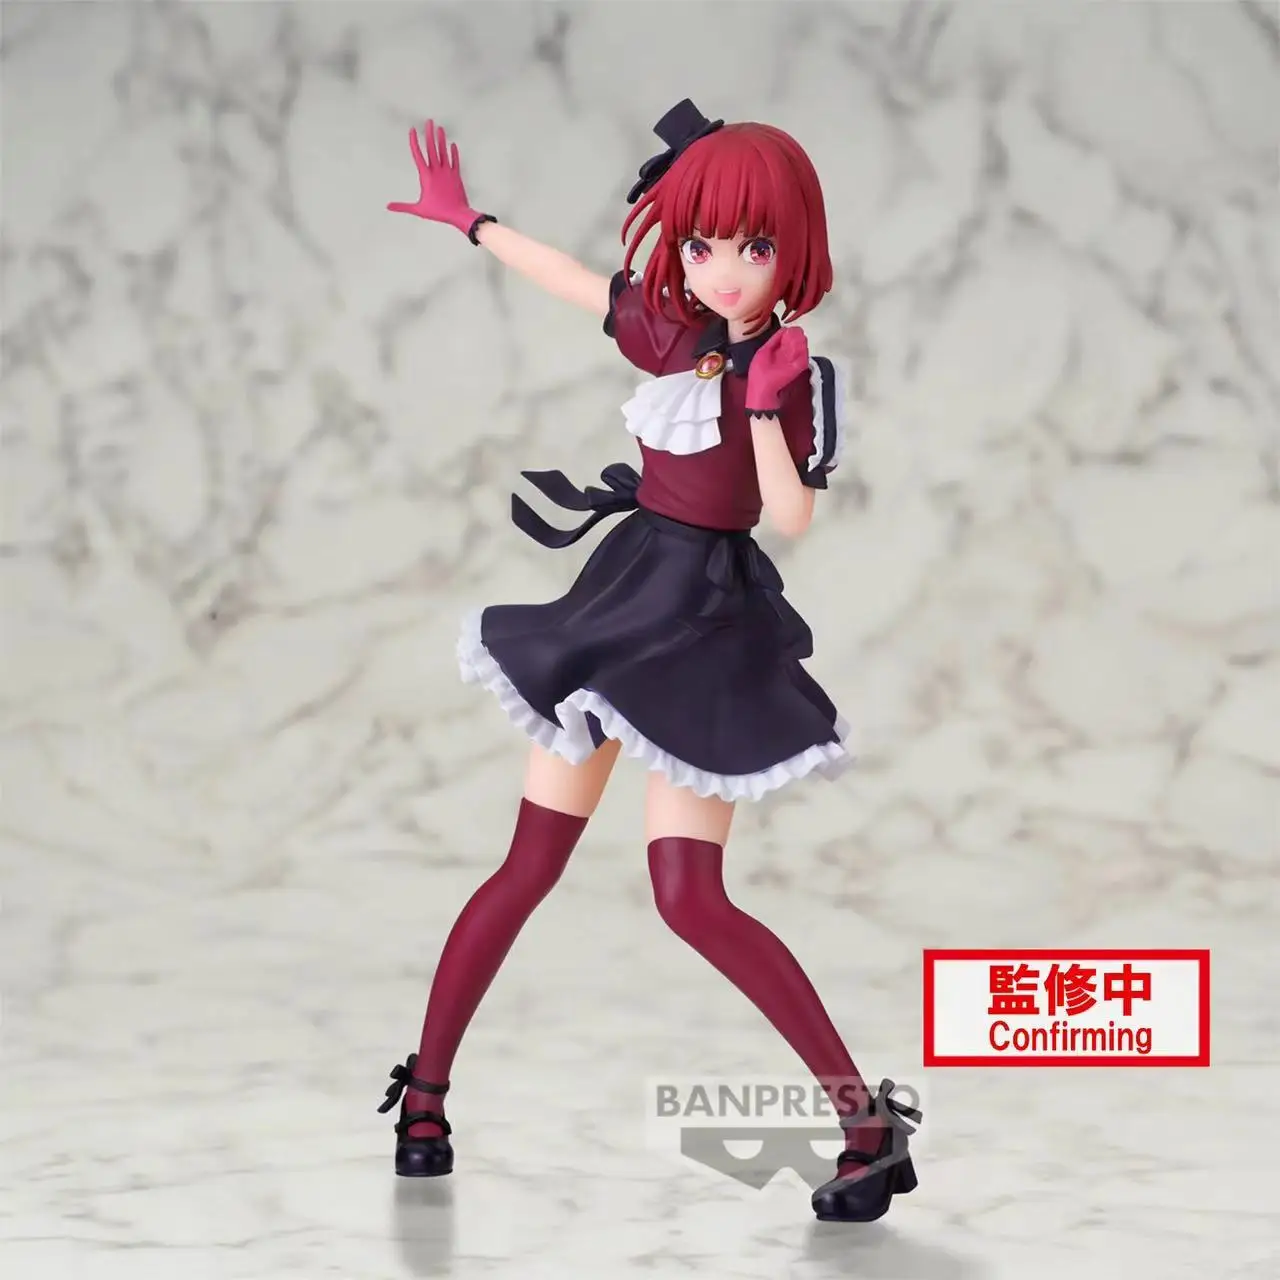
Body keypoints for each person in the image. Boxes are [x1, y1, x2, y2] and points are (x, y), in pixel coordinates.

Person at [375, 99, 920, 1223]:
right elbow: (579, 283)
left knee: (689, 898)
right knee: (527, 865)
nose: (724, 270)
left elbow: (790, 516)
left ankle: (865, 1123)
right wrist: (471, 222)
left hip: (707, 625)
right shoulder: (672, 332)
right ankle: (422, 1096)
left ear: (793, 252)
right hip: (622, 598)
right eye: (703, 244)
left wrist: (761, 409)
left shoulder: (792, 370)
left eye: (753, 246)